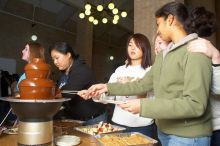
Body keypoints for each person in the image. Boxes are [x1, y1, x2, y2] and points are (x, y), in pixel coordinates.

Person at [80, 2, 214, 146]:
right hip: (165, 132)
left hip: (188, 136)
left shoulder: (195, 50)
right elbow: (143, 84)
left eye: (158, 23)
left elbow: (195, 105)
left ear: (170, 19)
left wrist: (144, 107)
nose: (157, 30)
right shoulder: (165, 55)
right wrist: (107, 87)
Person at [86, 33, 155, 136]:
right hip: (118, 124)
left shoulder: (151, 70)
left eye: (137, 45)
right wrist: (98, 95)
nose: (132, 48)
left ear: (145, 48)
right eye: (130, 45)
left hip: (143, 126)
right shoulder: (120, 70)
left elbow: (155, 99)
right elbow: (109, 96)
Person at [49, 42, 107, 125]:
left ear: (68, 55)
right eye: (53, 59)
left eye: (57, 58)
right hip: (77, 118)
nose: (55, 62)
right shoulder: (63, 73)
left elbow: (67, 93)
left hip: (94, 119)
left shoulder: (81, 70)